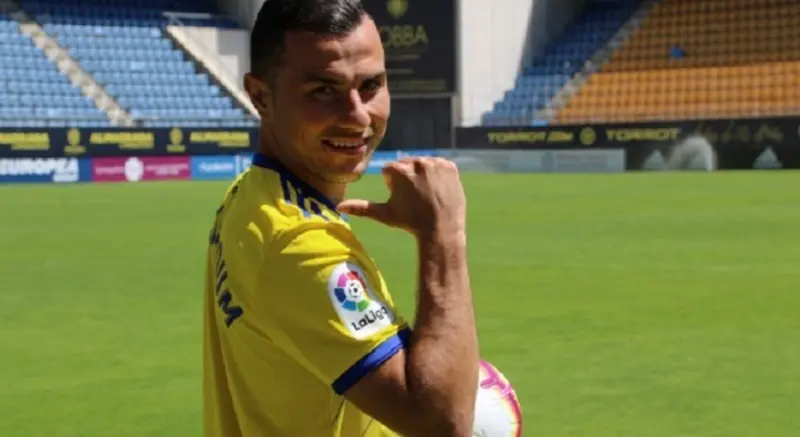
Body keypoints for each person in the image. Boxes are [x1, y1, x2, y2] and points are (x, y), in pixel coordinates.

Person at [202, 0, 479, 436]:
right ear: (261, 97)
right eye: (323, 90)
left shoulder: (251, 193)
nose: (357, 116)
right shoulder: (298, 243)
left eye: (371, 85)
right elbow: (442, 425)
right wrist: (443, 234)